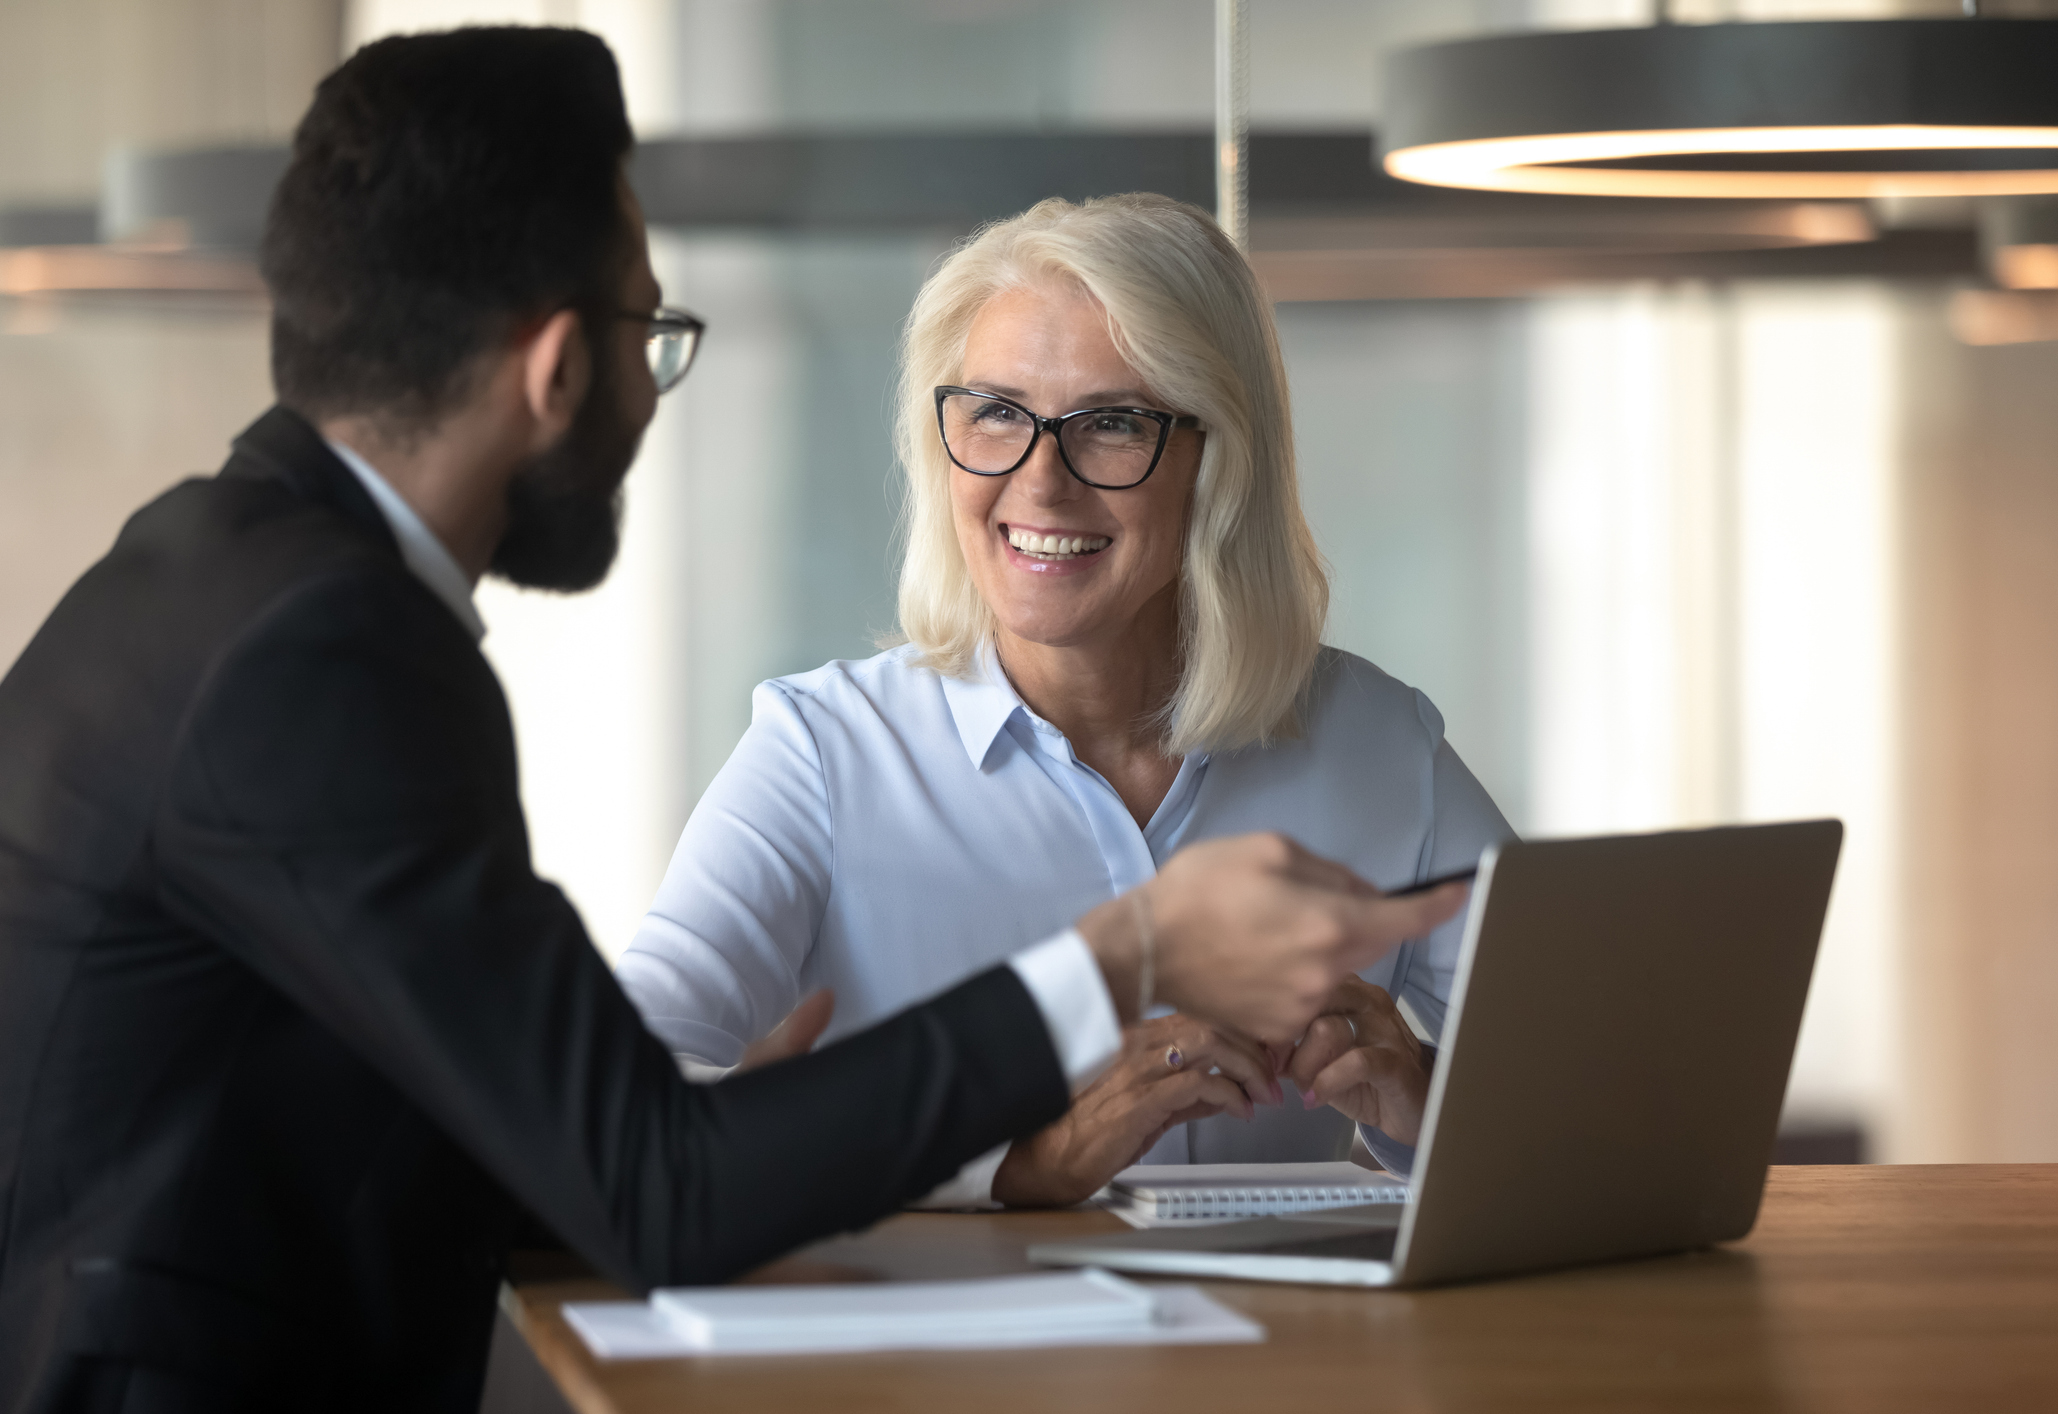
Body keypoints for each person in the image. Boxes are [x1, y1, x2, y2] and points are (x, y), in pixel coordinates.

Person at [0, 32, 1469, 1413]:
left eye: (1110, 423)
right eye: (650, 335)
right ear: (557, 366)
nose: (652, 392)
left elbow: (546, 1141)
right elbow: (650, 1187)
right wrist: (1129, 953)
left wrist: (758, 1133)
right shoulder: (320, 651)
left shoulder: (205, 576)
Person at [617, 193, 1515, 1209]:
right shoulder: (825, 755)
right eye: (996, 412)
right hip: (946, 1365)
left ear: (1219, 461)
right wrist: (1010, 1162)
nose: (1039, 483)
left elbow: (1603, 1086)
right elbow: (624, 1117)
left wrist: (1429, 1103)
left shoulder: (1380, 745)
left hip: (1294, 1364)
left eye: (1113, 423)